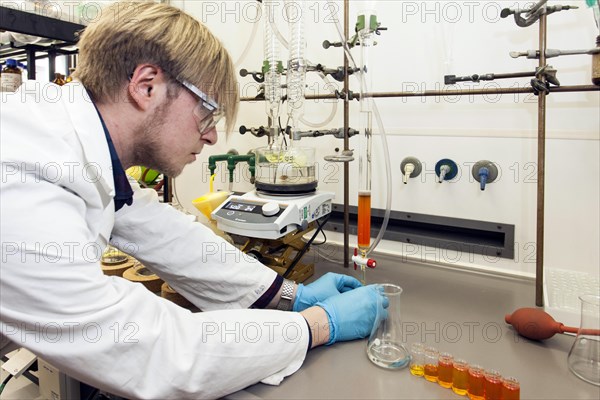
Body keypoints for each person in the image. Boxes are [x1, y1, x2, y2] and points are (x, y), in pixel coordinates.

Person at [0, 2, 388, 399]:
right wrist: (317, 325)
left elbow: (167, 235)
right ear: (146, 85)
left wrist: (290, 296)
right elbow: (151, 352)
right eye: (208, 112)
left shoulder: (78, 152)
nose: (211, 137)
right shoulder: (22, 171)